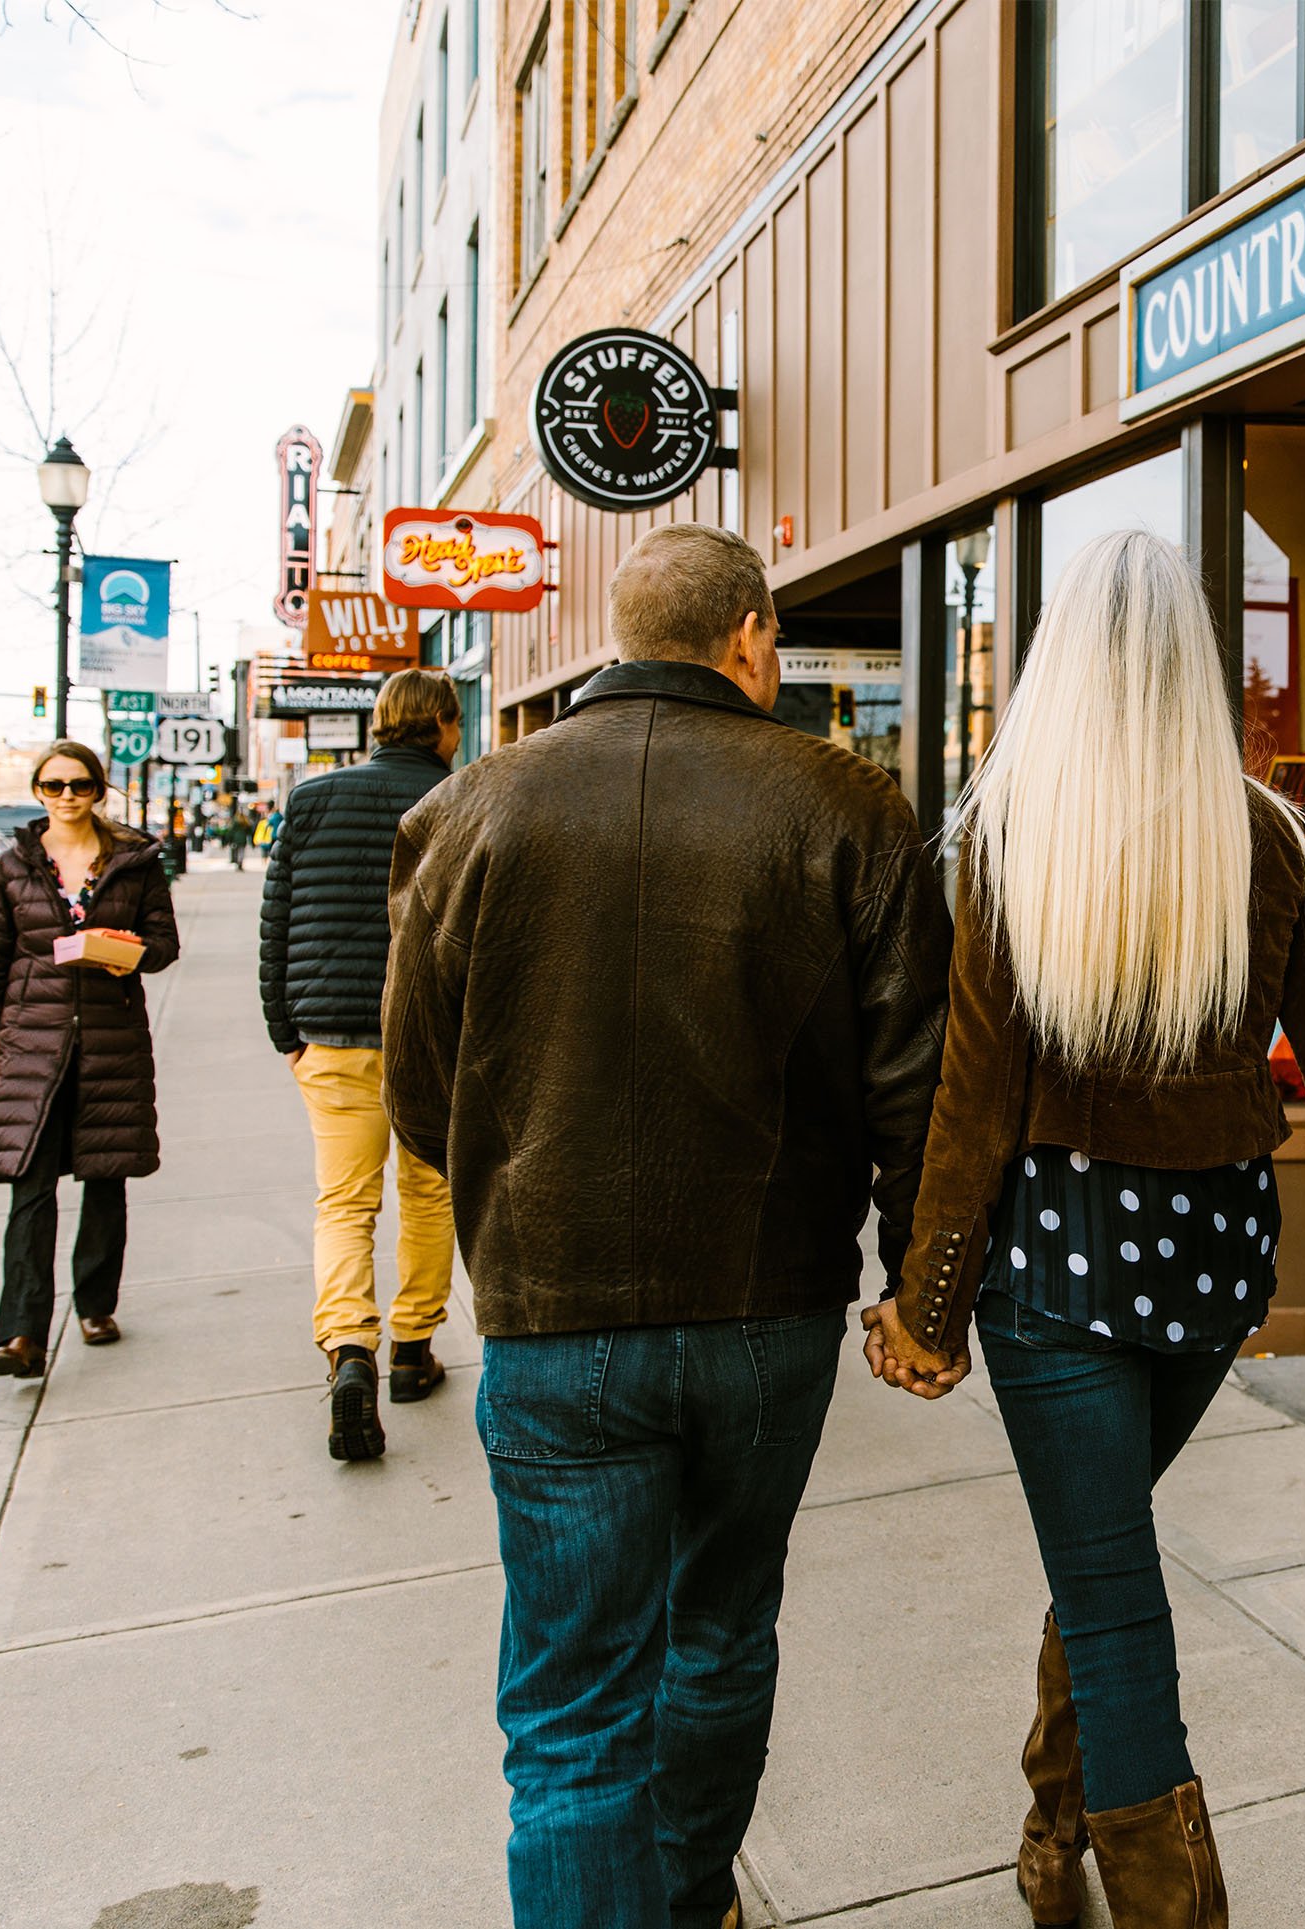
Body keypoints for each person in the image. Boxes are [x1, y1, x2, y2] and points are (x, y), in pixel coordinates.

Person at [868, 531, 1305, 1929]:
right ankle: (1052, 1847)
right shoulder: (1269, 836)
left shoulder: (1001, 836)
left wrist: (927, 1303)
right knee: (1096, 1554)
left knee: (1106, 1590)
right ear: (1196, 672)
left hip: (1055, 1265)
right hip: (1212, 1266)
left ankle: (1141, 1891)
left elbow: (973, 1105)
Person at [383, 523, 949, 1929]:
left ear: (614, 639)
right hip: (765, 1313)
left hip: (551, 1314)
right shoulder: (849, 803)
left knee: (572, 1705)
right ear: (750, 638)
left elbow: (414, 1097)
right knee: (717, 1625)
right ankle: (692, 1895)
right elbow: (911, 1091)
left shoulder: (470, 809)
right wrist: (918, 1288)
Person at [261, 669, 465, 1462]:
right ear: (444, 725)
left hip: (332, 1035)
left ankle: (352, 1351)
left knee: (344, 1201)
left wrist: (288, 1030)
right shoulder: (461, 797)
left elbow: (275, 922)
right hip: (427, 1035)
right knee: (429, 1189)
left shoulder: (312, 800)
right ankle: (413, 1349)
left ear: (380, 723)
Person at [0, 741, 183, 1378]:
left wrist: (123, 951)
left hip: (111, 1036)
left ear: (98, 790)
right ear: (38, 791)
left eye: (79, 785)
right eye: (53, 786)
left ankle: (95, 1304)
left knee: (105, 1176)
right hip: (33, 1042)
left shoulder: (134, 865)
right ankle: (22, 1330)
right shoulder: (11, 869)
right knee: (31, 1184)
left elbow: (164, 946)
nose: (67, 796)